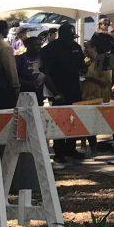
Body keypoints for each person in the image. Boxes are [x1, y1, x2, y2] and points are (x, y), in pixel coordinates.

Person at [41, 23, 87, 162]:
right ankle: (59, 152)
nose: (72, 40)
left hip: (74, 89)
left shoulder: (75, 47)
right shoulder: (50, 49)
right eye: (70, 37)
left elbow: (81, 67)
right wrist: (55, 93)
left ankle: (71, 149)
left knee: (73, 120)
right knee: (59, 121)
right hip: (58, 90)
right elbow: (45, 73)